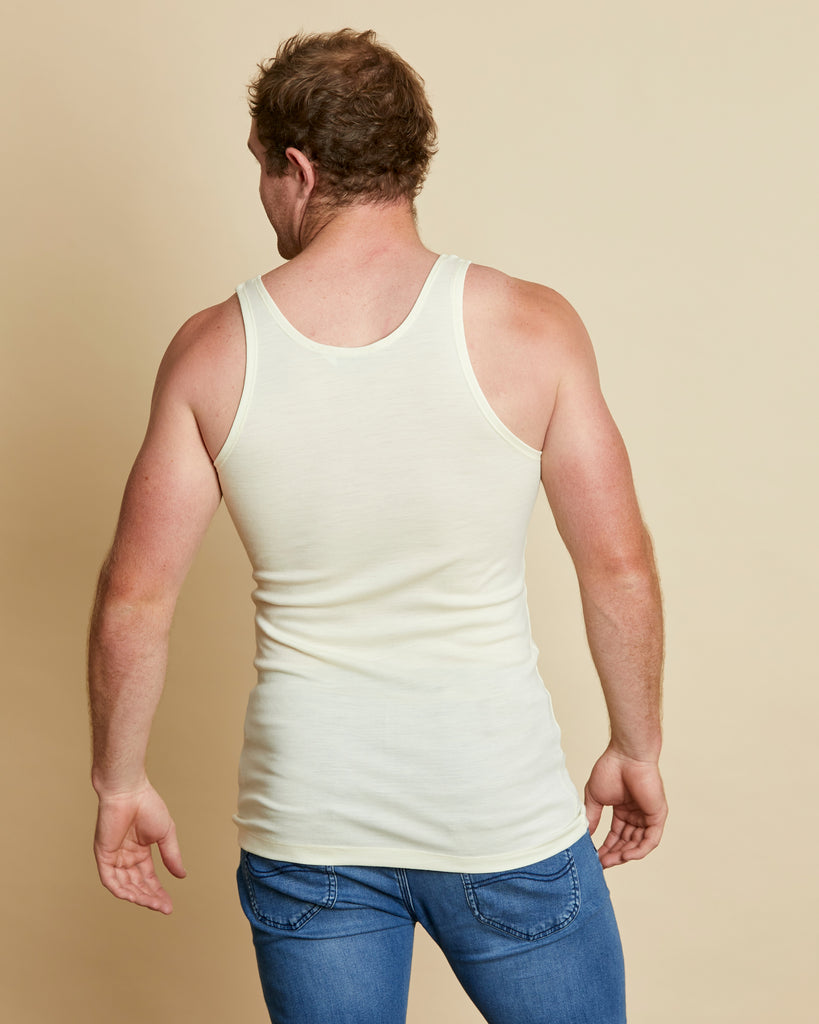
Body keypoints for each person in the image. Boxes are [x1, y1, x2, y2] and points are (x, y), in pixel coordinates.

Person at [88, 28, 666, 1024]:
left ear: (298, 170)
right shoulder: (534, 328)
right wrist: (636, 745)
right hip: (500, 812)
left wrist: (119, 780)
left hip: (311, 825)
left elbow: (136, 600)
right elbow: (617, 568)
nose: (264, 197)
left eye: (262, 173)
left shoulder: (212, 353)